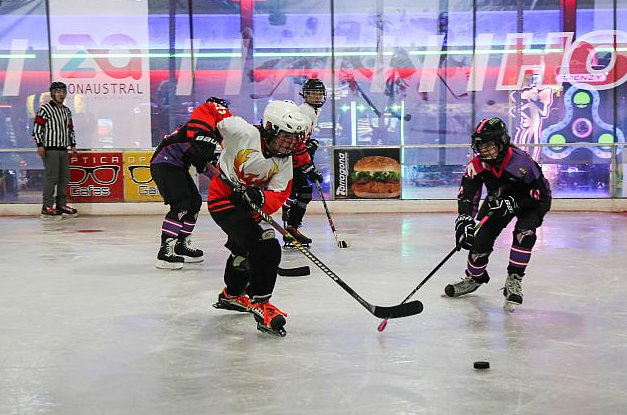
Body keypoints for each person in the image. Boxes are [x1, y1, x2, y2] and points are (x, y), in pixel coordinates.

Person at [207, 99, 309, 336]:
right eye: (286, 137)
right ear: (270, 128)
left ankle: (231, 295)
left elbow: (279, 193)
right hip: (223, 202)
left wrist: (260, 197)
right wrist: (200, 136)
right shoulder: (243, 133)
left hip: (251, 208)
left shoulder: (284, 159)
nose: (290, 144)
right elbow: (211, 109)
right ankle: (261, 303)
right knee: (266, 246)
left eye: (294, 139)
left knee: (243, 251)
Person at [444, 117, 551, 311]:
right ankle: (475, 278)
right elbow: (467, 195)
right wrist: (464, 220)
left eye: (489, 146)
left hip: (531, 203)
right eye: (480, 146)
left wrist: (515, 202)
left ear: (501, 142)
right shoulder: (477, 165)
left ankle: (514, 279)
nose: (484, 151)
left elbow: (541, 195)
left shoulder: (521, 162)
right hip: (499, 200)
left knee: (524, 234)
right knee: (479, 241)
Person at [149, 97, 228, 269]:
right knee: (181, 204)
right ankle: (165, 251)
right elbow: (199, 161)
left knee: (195, 202)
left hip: (175, 165)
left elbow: (202, 159)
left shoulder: (205, 128)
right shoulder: (201, 129)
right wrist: (220, 179)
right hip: (164, 164)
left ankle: (181, 244)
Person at [281, 78, 326, 247]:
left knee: (301, 192)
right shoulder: (303, 112)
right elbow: (295, 142)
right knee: (300, 192)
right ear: (305, 95)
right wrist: (308, 166)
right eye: (312, 94)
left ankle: (290, 227)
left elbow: (302, 141)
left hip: (293, 158)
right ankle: (289, 228)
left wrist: (310, 145)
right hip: (289, 160)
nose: (316, 97)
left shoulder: (313, 112)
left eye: (319, 93)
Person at [33, 82, 78, 218]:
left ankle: (61, 204)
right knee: (52, 177)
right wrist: (40, 145)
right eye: (58, 92)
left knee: (64, 177)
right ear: (53, 94)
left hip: (63, 148)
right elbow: (37, 128)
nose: (61, 94)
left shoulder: (66, 110)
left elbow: (70, 129)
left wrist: (73, 145)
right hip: (50, 148)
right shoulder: (44, 109)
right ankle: (47, 206)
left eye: (63, 92)